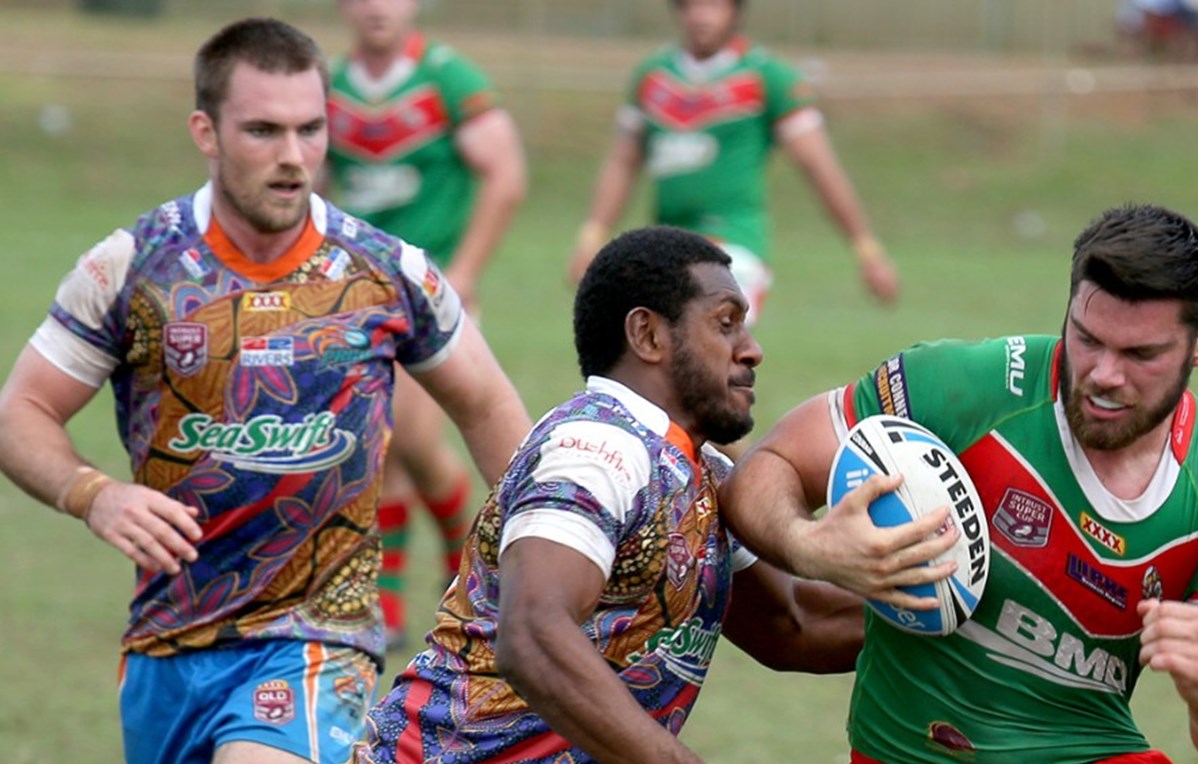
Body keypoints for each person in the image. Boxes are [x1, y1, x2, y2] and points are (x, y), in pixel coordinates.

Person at [0, 18, 530, 764]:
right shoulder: (133, 268)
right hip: (166, 641)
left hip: (319, 639)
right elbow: (21, 412)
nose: (292, 156)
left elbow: (488, 405)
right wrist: (93, 494)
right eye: (262, 131)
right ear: (206, 133)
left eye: (310, 130)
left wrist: (546, 557)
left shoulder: (387, 272)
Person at [723, 204, 1198, 764]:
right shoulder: (965, 390)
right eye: (1087, 339)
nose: (1104, 375)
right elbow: (767, 470)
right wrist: (810, 546)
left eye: (1141, 354)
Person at [355, 226, 868, 763]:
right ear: (648, 335)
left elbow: (792, 624)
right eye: (726, 323)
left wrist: (925, 606)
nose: (752, 350)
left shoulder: (702, 472)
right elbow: (532, 635)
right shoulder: (596, 448)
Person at [327, 0, 528, 647]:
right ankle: (386, 610)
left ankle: (460, 552)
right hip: (359, 295)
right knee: (377, 445)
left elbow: (506, 176)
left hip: (433, 294)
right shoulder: (331, 87)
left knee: (411, 436)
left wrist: (464, 270)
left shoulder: (449, 80)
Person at [565, 0, 898, 327]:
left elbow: (819, 168)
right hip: (666, 245)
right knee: (653, 346)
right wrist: (591, 237)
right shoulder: (652, 76)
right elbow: (622, 163)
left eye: (715, 4)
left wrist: (867, 251)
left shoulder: (768, 76)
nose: (702, 15)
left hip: (734, 243)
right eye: (692, 4)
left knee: (700, 334)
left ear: (736, 9)